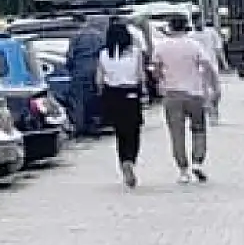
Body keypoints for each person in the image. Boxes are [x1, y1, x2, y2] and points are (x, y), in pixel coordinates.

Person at [152, 14, 219, 184]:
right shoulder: (193, 45)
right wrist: (213, 86)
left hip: (172, 93)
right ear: (186, 26)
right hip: (194, 93)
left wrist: (161, 80)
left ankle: (183, 170)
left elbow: (156, 69)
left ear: (169, 26)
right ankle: (197, 161)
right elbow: (206, 65)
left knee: (177, 132)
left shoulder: (161, 46)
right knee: (198, 129)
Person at [95, 20, 147, 188]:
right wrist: (144, 91)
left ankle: (123, 160)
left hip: (112, 94)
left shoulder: (103, 54)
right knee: (134, 132)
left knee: (120, 133)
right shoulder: (135, 53)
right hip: (131, 93)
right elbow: (140, 76)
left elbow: (99, 79)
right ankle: (131, 160)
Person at [65, 14, 107, 138]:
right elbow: (104, 51)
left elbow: (70, 56)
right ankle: (94, 124)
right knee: (94, 98)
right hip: (96, 69)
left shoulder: (75, 36)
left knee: (78, 100)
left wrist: (69, 67)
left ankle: (80, 127)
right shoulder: (98, 35)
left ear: (76, 22)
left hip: (80, 71)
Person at [192, 15, 227, 124]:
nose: (199, 23)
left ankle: (214, 108)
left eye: (200, 20)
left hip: (213, 65)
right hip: (199, 68)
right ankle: (211, 114)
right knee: (205, 93)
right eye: (196, 21)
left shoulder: (211, 32)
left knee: (217, 91)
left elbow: (218, 48)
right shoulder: (190, 36)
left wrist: (224, 63)